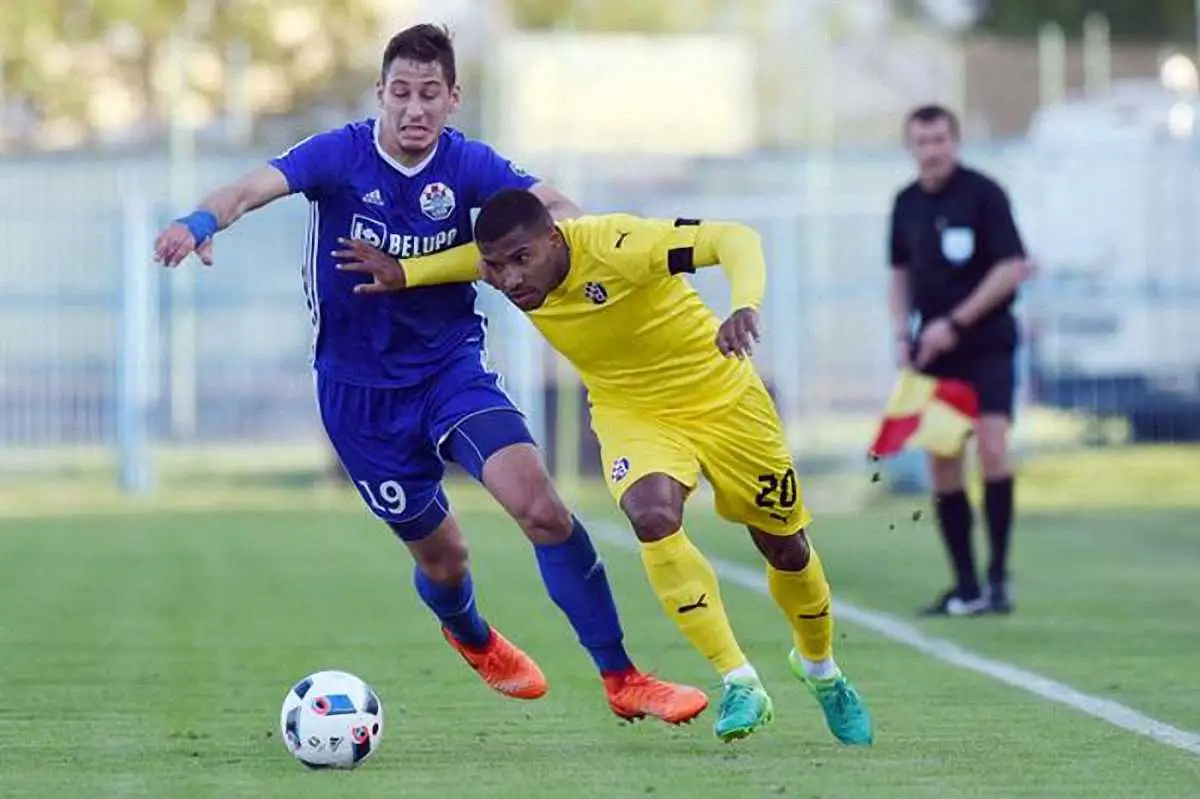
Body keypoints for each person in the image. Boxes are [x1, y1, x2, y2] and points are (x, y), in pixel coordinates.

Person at [152, 24, 707, 726]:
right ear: (381, 93)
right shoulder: (340, 154)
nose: (415, 109)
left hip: (451, 371)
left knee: (541, 508)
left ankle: (622, 676)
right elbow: (250, 187)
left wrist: (586, 243)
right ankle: (471, 634)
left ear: (452, 98)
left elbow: (555, 207)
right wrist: (201, 220)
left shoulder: (467, 163)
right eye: (402, 93)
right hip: (360, 399)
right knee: (445, 559)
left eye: (430, 94)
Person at [334, 189, 875, 746]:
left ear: (554, 239)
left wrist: (745, 306)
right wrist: (403, 272)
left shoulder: (621, 244)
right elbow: (464, 261)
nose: (510, 278)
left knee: (785, 548)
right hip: (631, 411)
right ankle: (738, 680)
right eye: (496, 267)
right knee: (652, 515)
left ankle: (821, 670)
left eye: (521, 260)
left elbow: (734, 238)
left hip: (725, 400)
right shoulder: (504, 266)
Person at [887, 104, 1030, 616]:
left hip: (986, 344)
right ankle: (966, 585)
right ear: (911, 147)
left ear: (955, 141)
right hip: (935, 355)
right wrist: (902, 333)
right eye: (922, 142)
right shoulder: (905, 203)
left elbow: (1010, 269)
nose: (932, 151)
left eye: (940, 140)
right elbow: (899, 274)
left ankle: (998, 578)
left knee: (992, 447)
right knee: (943, 461)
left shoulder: (984, 194)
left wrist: (955, 323)